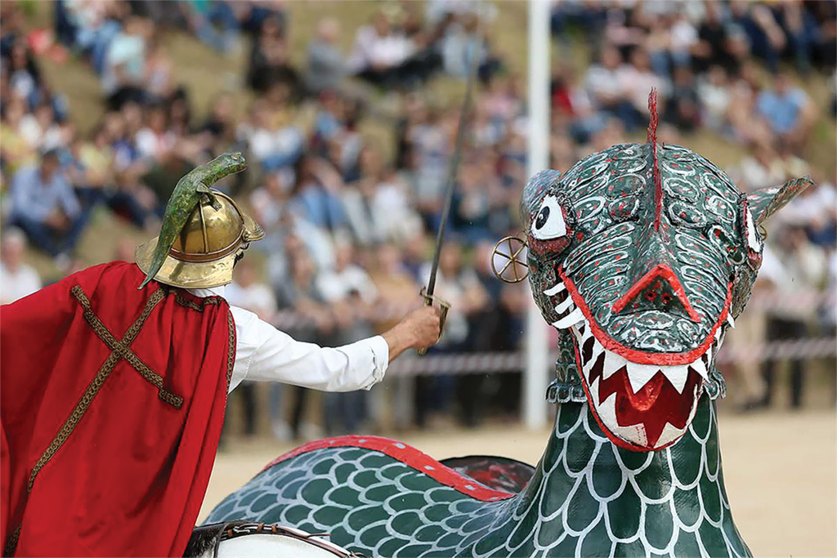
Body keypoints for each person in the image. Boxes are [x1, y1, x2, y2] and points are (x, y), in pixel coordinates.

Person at [0, 160, 442, 556]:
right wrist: (405, 333)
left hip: (44, 498)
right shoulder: (233, 333)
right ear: (228, 260)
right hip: (130, 526)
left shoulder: (104, 283)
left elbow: (14, 331)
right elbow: (336, 368)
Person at [8, 148, 87, 259]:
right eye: (48, 162)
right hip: (27, 220)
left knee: (81, 217)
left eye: (54, 164)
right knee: (26, 221)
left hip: (49, 221)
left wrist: (66, 217)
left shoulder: (59, 181)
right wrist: (46, 217)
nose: (50, 167)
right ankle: (53, 251)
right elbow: (20, 207)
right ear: (42, 161)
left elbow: (71, 203)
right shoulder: (24, 175)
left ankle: (66, 248)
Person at [0, 228, 41, 304]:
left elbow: (35, 302)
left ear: (22, 251)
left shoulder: (30, 274)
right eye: (9, 250)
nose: (12, 254)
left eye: (15, 250)